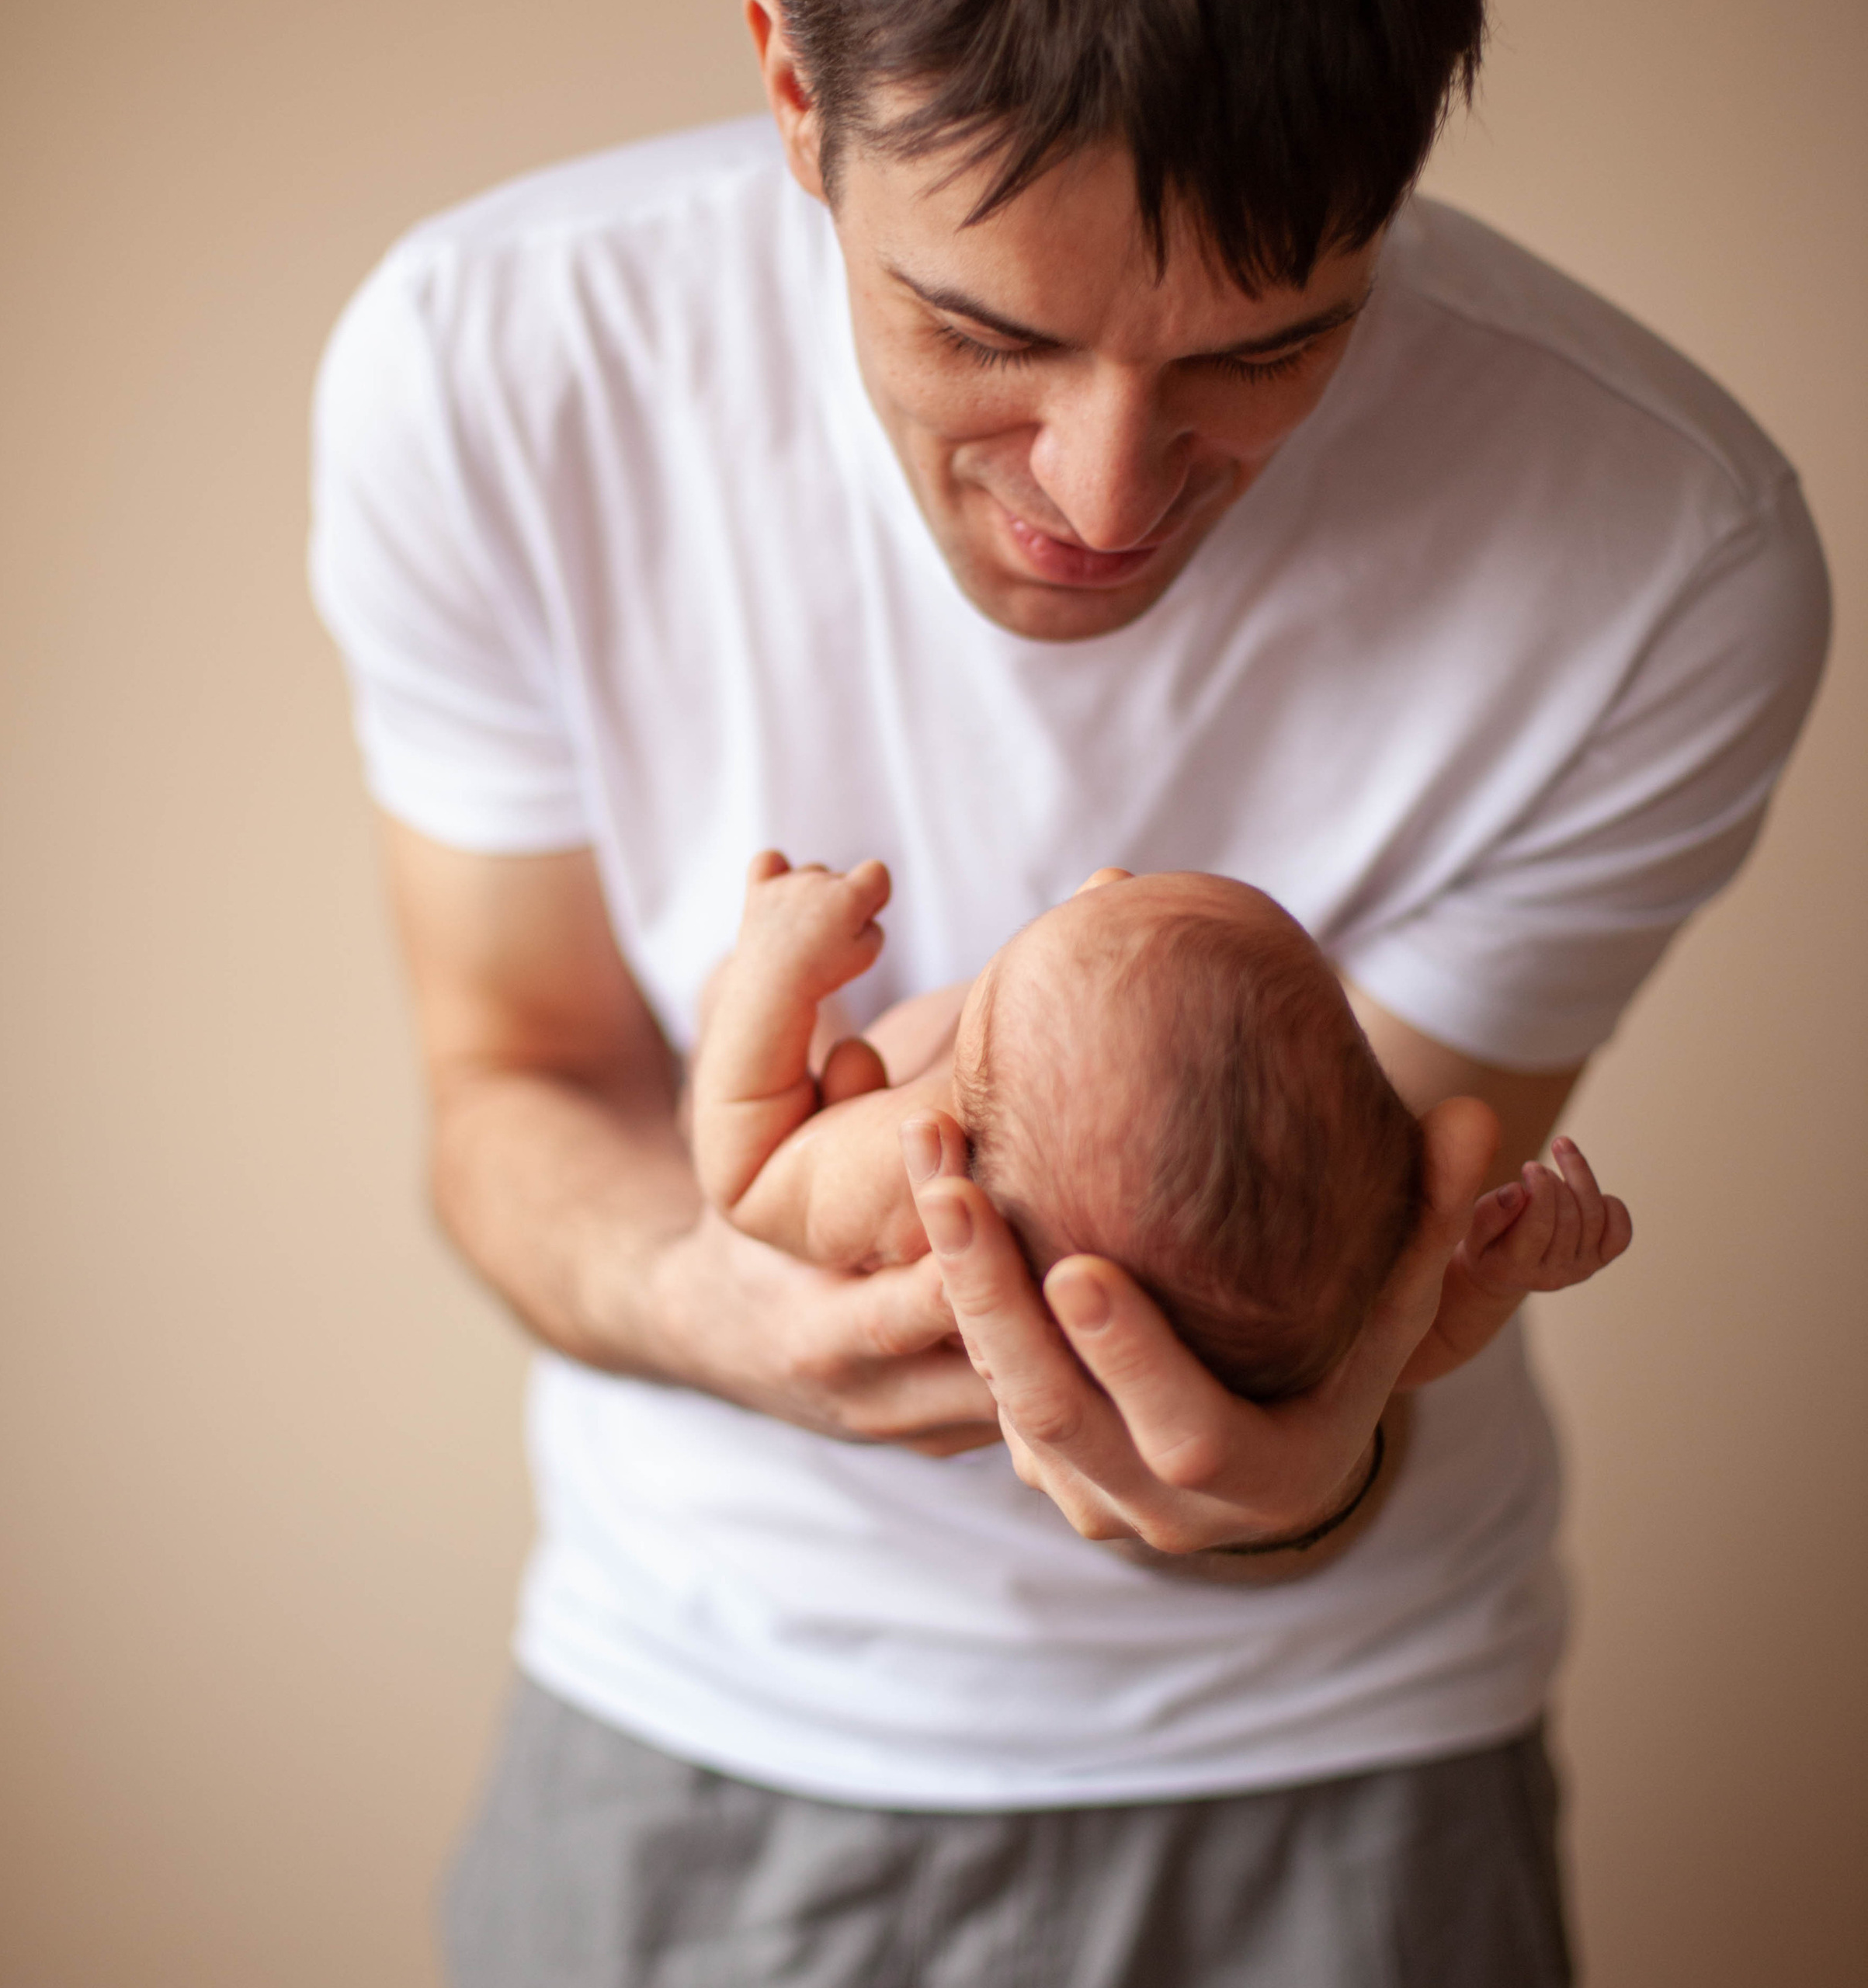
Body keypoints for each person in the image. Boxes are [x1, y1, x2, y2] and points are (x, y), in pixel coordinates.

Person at [307, 0, 1829, 1979]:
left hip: (1342, 1750)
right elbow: (509, 1075)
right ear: (789, 75)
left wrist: (1335, 1430)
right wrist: (715, 1303)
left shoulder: (1665, 549)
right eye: (983, 332)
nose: (1102, 499)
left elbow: (1342, 1237)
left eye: (1266, 347)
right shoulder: (494, 366)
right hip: (704, 1706)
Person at [692, 853, 1630, 1401]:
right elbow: (1397, 1354)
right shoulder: (1300, 1251)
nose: (1104, 872)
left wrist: (775, 974)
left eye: (1088, 904)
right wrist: (1487, 1278)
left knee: (757, 1019)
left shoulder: (917, 1156)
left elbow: (743, 1177)